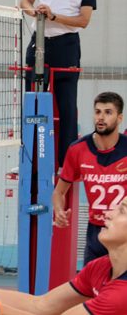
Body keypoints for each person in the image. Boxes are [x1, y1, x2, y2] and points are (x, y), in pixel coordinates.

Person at [0, 197, 127, 315]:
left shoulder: (121, 295)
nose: (108, 213)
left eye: (122, 211)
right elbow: (40, 306)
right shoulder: (100, 267)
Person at [21, 0, 97, 167]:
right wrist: (35, 12)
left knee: (67, 108)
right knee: (31, 102)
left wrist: (53, 16)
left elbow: (84, 20)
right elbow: (25, 1)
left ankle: (66, 163)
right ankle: (29, 160)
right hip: (39, 42)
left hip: (67, 46)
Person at [54, 92, 126, 265]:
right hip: (96, 232)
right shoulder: (77, 149)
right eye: (97, 112)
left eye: (108, 112)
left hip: (123, 230)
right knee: (92, 281)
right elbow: (59, 192)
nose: (101, 117)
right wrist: (59, 211)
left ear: (119, 118)